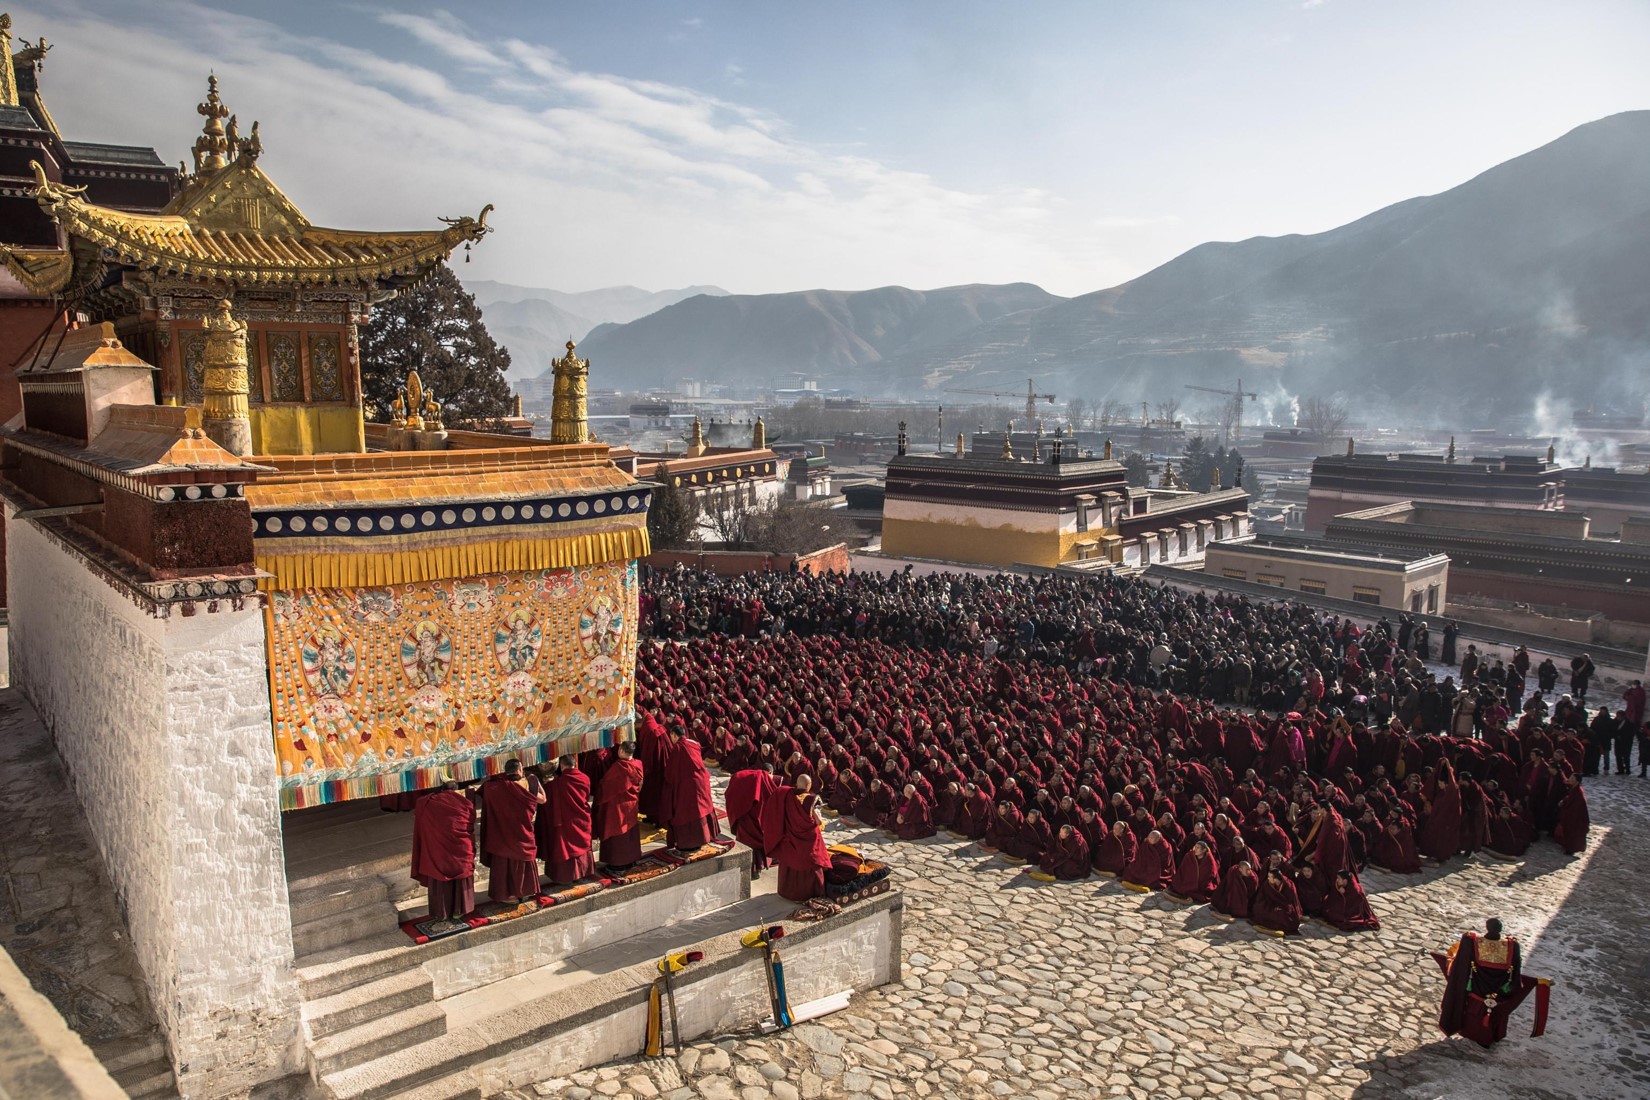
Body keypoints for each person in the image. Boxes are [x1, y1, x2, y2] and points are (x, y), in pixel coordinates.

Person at [1437, 917, 1548, 1047]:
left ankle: (1470, 1032)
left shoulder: (1472, 942)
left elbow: (1460, 965)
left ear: (1487, 927)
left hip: (1476, 990)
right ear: (1500, 929)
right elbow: (1516, 972)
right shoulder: (1513, 946)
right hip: (1499, 993)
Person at [409, 771, 476, 919]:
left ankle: (442, 912)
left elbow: (420, 822)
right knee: (460, 872)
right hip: (460, 848)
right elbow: (470, 824)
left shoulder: (426, 802)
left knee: (439, 876)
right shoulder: (465, 803)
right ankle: (459, 910)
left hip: (438, 849)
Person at [480, 759, 546, 902]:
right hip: (522, 832)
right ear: (520, 770)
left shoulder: (493, 787)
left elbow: (482, 790)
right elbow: (543, 799)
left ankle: (507, 896)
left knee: (503, 861)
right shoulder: (526, 785)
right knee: (522, 860)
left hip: (502, 834)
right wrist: (536, 781)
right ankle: (524, 892)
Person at [761, 773, 832, 902]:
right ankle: (808, 893)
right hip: (807, 841)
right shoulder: (809, 799)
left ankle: (786, 892)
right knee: (812, 860)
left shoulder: (786, 795)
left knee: (790, 860)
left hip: (790, 838)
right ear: (808, 785)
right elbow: (818, 821)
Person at [658, 727, 720, 851]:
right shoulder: (693, 743)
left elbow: (671, 772)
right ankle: (702, 838)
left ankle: (688, 843)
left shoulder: (678, 748)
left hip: (686, 785)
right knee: (700, 810)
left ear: (674, 735)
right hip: (701, 780)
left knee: (686, 812)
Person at [540, 758, 595, 885]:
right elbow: (586, 796)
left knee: (564, 847)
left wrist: (546, 785)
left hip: (565, 821)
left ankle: (566, 877)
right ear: (574, 764)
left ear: (561, 766)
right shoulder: (585, 778)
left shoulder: (557, 784)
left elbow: (546, 801)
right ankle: (581, 873)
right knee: (580, 845)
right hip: (581, 818)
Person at [594, 741, 645, 869]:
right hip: (632, 804)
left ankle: (618, 862)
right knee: (630, 831)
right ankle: (631, 859)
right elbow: (640, 785)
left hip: (618, 807)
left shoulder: (618, 768)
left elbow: (605, 786)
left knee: (617, 833)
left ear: (621, 750)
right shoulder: (638, 764)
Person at [725, 763, 780, 876]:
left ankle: (745, 866)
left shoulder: (749, 776)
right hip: (755, 817)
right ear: (770, 772)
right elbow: (770, 801)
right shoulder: (762, 778)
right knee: (759, 839)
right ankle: (757, 868)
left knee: (746, 841)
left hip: (743, 815)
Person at [1250, 867, 1302, 935]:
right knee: (1257, 908)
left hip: (1284, 906)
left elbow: (1289, 901)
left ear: (1275, 879)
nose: (1268, 878)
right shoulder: (1267, 883)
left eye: (1269, 877)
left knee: (1281, 914)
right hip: (1270, 904)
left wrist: (1278, 906)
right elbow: (1262, 897)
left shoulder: (1289, 885)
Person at [1551, 773, 1589, 855]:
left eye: (1572, 778)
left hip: (1575, 817)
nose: (1570, 779)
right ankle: (1567, 846)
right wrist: (1564, 801)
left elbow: (1578, 807)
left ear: (1577, 781)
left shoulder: (1579, 793)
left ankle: (1571, 848)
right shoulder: (1574, 789)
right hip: (1569, 814)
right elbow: (1569, 797)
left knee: (1573, 833)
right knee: (1567, 831)